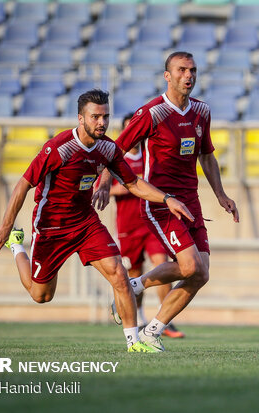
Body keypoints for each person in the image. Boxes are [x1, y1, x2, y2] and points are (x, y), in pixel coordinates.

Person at [0, 89, 193, 353]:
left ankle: (134, 342)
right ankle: (17, 247)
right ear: (80, 118)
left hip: (85, 223)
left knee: (119, 272)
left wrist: (166, 199)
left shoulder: (108, 148)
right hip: (52, 226)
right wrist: (6, 226)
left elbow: (133, 183)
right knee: (41, 295)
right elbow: (23, 184)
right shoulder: (58, 148)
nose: (102, 122)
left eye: (105, 116)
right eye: (95, 117)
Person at [94, 51, 239, 353]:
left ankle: (151, 327)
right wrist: (105, 181)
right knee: (189, 265)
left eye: (193, 70)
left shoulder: (202, 111)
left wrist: (221, 195)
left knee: (201, 273)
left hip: (190, 201)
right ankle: (132, 289)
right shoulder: (152, 113)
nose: (189, 76)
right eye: (182, 70)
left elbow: (207, 155)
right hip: (160, 201)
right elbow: (115, 149)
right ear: (168, 76)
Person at [108, 113, 185, 338]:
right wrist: (119, 189)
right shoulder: (116, 160)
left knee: (162, 262)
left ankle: (165, 320)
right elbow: (101, 187)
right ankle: (139, 317)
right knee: (134, 272)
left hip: (152, 221)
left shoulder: (152, 155)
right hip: (128, 225)